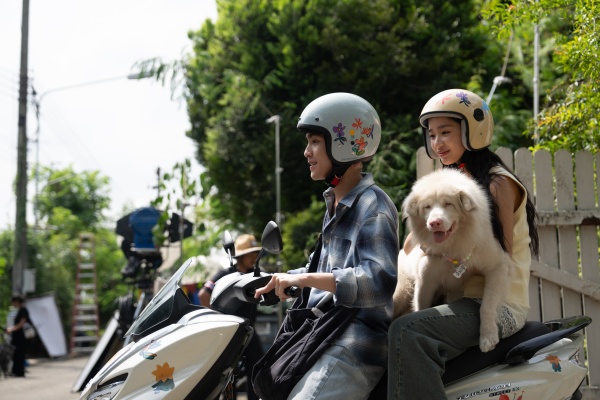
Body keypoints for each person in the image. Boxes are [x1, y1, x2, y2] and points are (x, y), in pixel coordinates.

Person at [388, 88, 539, 399]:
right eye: (432, 135)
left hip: (497, 306)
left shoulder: (498, 183)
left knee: (407, 331)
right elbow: (414, 242)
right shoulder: (449, 182)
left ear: (473, 131)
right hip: (457, 300)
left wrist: (440, 252)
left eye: (446, 132)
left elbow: (502, 258)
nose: (437, 143)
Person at [255, 92, 399, 399]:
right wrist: (276, 280)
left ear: (344, 144)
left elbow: (379, 282)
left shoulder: (373, 205)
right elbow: (322, 271)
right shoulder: (336, 203)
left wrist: (306, 279)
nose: (306, 152)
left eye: (315, 141)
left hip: (353, 347)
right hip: (323, 339)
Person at [199, 233, 264, 400]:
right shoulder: (226, 274)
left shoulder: (256, 275)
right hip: (229, 333)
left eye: (255, 253)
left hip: (248, 331)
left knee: (258, 367)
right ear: (240, 256)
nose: (254, 257)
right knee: (228, 374)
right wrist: (215, 320)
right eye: (250, 253)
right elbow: (203, 295)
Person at [5, 295, 31, 377]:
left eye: (14, 302)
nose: (13, 304)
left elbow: (21, 324)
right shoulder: (17, 311)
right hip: (16, 336)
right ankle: (15, 371)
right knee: (15, 353)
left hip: (21, 336)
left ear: (18, 302)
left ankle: (19, 372)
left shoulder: (23, 310)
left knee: (19, 353)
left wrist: (11, 329)